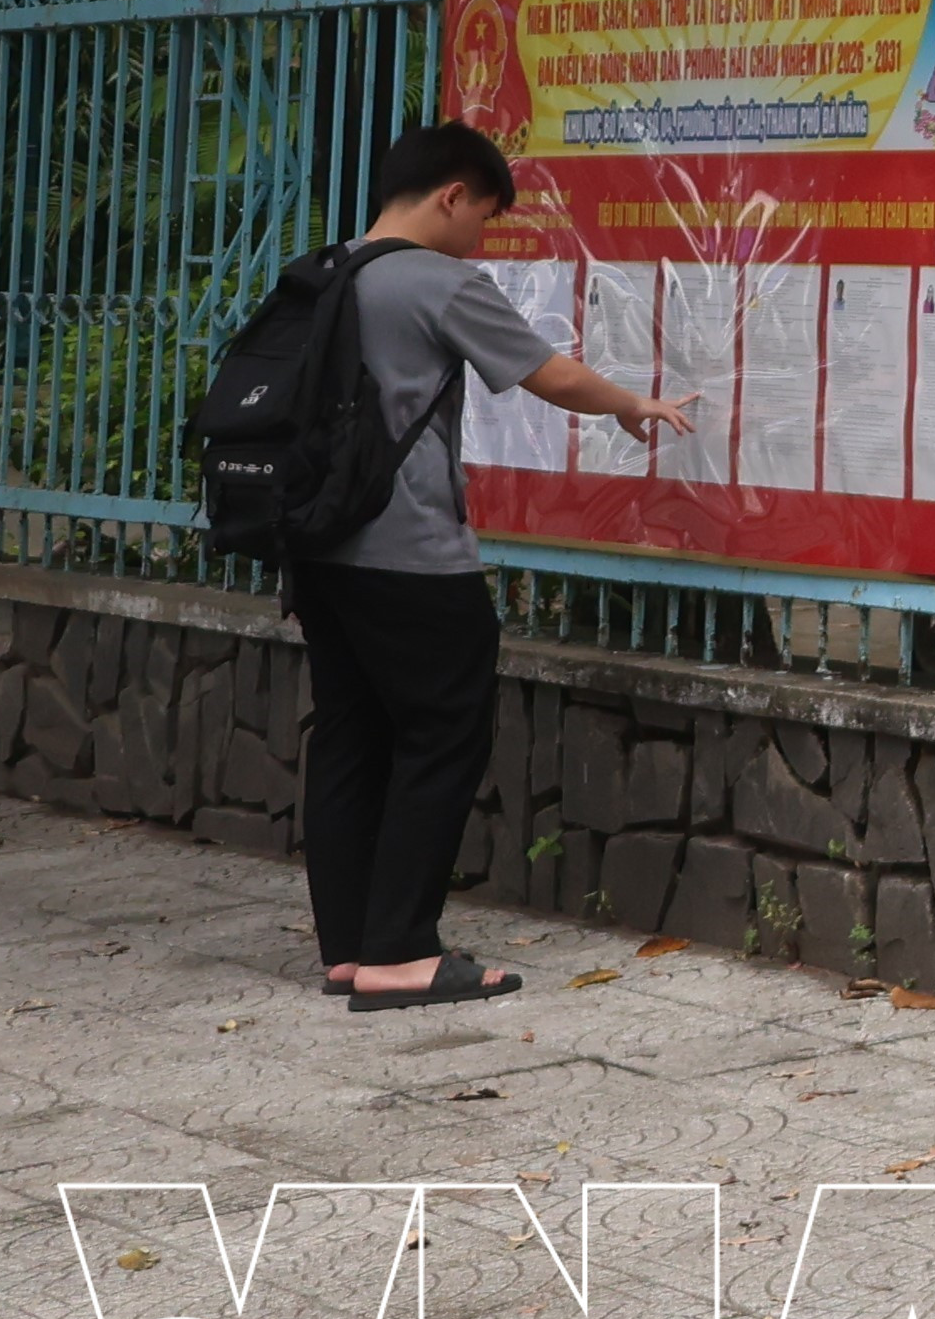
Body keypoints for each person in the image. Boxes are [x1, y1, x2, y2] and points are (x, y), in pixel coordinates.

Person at [294, 124, 697, 1010]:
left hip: (320, 549)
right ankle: (401, 950)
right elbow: (544, 373)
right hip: (411, 553)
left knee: (350, 734)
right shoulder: (438, 282)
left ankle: (350, 946)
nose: (483, 235)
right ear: (450, 195)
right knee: (445, 732)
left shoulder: (327, 271)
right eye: (483, 213)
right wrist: (634, 404)